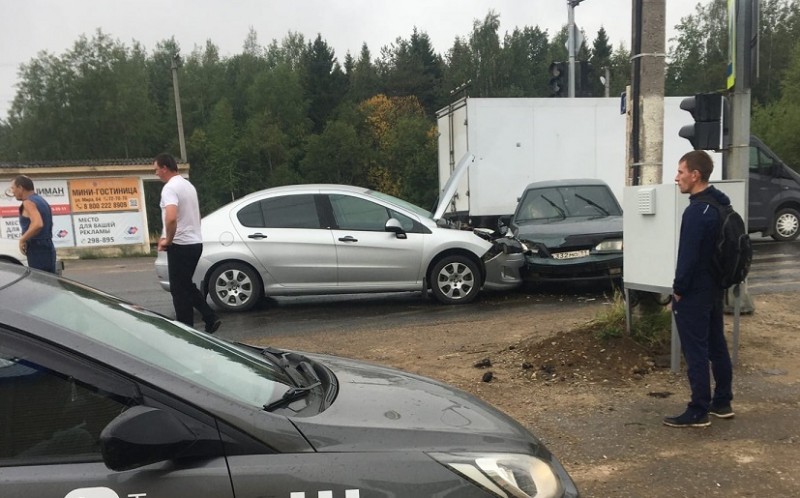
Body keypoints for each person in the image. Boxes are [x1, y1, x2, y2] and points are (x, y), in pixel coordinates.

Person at [664, 150, 734, 428]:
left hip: (694, 292)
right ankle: (723, 401)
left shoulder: (696, 212)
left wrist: (678, 289)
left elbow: (688, 256)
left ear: (695, 175)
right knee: (717, 345)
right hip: (715, 289)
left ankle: (698, 410)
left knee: (695, 351)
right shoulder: (720, 206)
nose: (676, 177)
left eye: (681, 172)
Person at [154, 153, 221, 333]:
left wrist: (167, 240)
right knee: (185, 285)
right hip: (195, 243)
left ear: (165, 168)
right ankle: (209, 317)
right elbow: (195, 216)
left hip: (180, 245)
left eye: (156, 169)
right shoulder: (188, 186)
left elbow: (171, 218)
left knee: (179, 290)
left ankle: (186, 330)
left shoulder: (170, 188)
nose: (156, 173)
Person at [11, 175, 57, 273]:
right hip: (48, 246)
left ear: (20, 188)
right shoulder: (42, 200)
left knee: (39, 281)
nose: (12, 192)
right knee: (50, 281)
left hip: (36, 248)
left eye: (13, 188)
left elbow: (38, 224)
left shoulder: (28, 202)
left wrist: (22, 240)